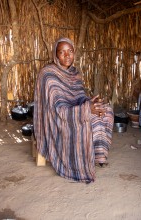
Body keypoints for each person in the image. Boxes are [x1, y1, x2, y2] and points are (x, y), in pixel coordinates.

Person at [33, 37, 114, 183]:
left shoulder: (75, 73)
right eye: (62, 52)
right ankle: (79, 163)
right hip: (58, 120)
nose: (67, 55)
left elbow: (79, 98)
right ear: (55, 54)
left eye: (70, 51)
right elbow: (57, 109)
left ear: (74, 52)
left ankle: (98, 155)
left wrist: (90, 103)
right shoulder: (47, 74)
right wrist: (86, 110)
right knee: (88, 119)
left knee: (106, 111)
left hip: (74, 111)